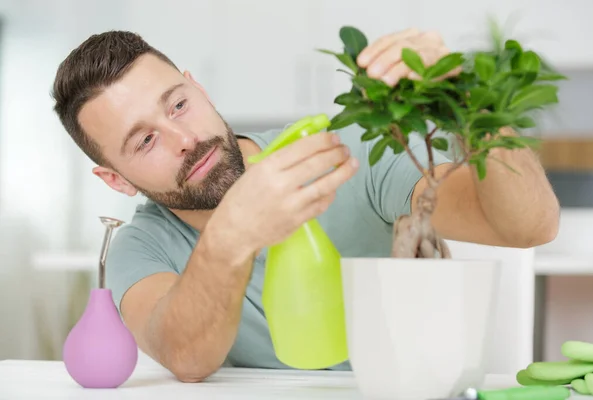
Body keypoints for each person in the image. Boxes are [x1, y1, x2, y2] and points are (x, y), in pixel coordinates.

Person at [51, 27, 560, 382]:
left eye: (178, 104)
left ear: (198, 88)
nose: (183, 138)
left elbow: (529, 226)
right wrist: (233, 231)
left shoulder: (345, 151)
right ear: (115, 181)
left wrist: (473, 99)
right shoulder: (138, 247)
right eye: (144, 141)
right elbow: (185, 356)